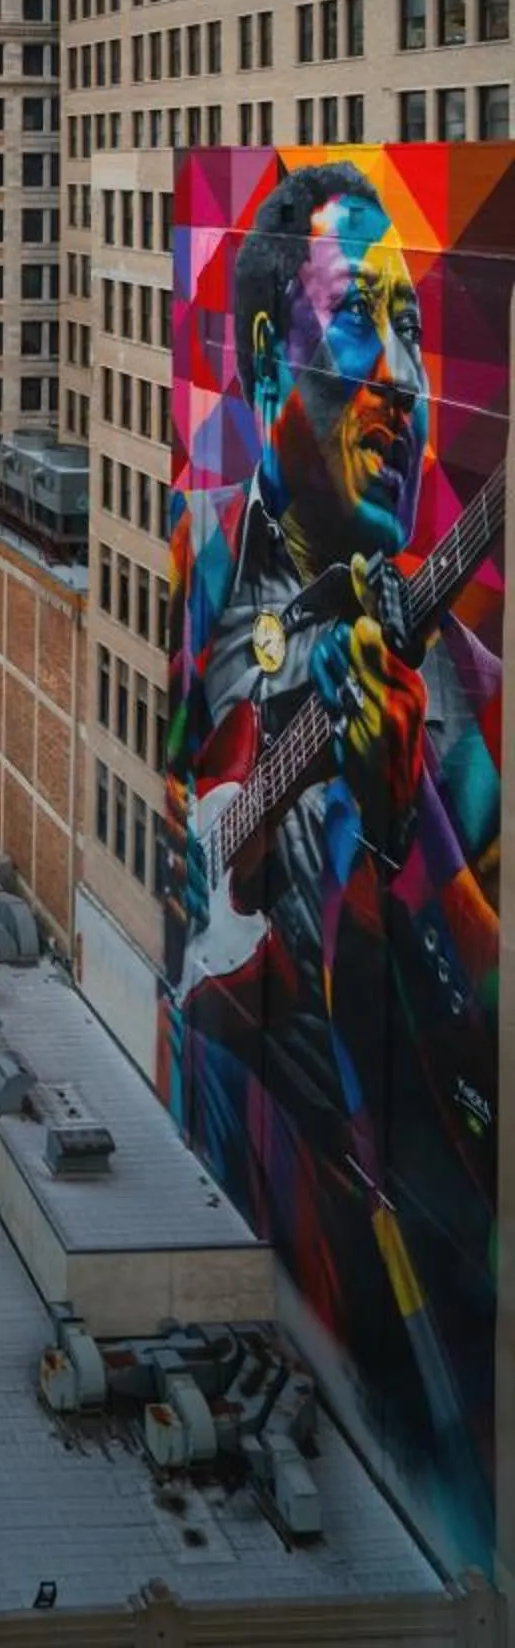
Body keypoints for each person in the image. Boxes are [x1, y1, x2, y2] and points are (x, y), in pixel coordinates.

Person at [169, 159, 501, 1548]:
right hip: (265, 1238)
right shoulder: (206, 568)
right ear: (260, 360)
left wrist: (411, 805)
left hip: (437, 1388)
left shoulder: (470, 692)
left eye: (416, 330)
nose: (406, 380)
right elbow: (211, 833)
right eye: (362, 323)